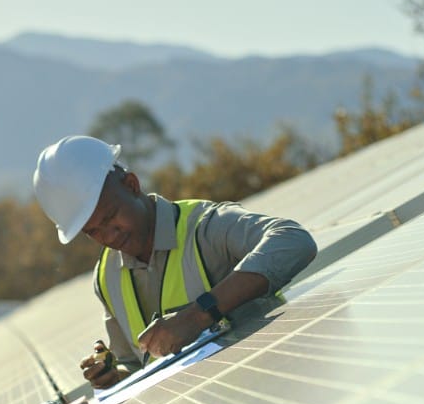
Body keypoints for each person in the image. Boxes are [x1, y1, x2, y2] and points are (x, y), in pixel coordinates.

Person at [32, 135, 317, 389]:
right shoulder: (106, 278)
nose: (109, 235)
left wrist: (199, 314)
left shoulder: (205, 228)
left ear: (131, 185)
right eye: (92, 231)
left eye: (109, 217)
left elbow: (293, 240)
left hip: (271, 388)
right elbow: (133, 365)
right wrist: (113, 376)